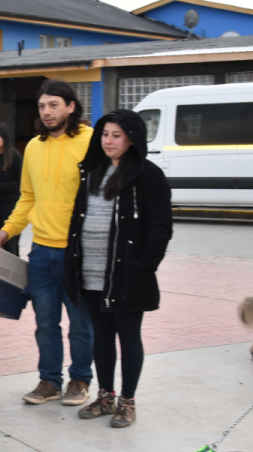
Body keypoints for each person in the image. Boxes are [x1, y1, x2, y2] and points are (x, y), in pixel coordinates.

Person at [0, 79, 94, 407]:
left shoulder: (90, 141)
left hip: (79, 251)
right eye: (42, 106)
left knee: (80, 322)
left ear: (70, 107)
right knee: (45, 323)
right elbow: (28, 198)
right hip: (42, 252)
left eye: (54, 105)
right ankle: (49, 381)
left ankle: (79, 379)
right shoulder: (34, 146)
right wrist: (5, 232)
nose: (47, 112)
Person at [64, 109, 172, 428]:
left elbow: (160, 227)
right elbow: (77, 218)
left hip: (126, 275)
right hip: (91, 272)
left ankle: (127, 401)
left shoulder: (147, 175)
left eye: (116, 135)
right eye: (105, 134)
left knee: (128, 337)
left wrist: (142, 267)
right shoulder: (91, 171)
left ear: (132, 139)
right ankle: (106, 395)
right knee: (101, 337)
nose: (108, 141)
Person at [0, 124, 23, 257]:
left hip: (10, 206)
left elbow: (19, 184)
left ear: (5, 138)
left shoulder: (15, 156)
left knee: (9, 243)